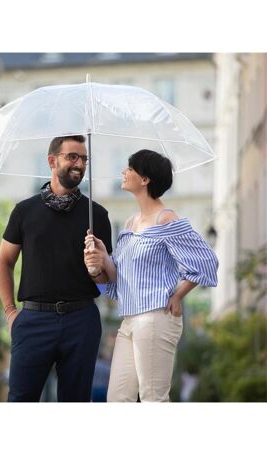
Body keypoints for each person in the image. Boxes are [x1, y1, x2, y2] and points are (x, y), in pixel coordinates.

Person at [84, 149, 218, 402]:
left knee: (153, 398)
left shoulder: (165, 219)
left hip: (156, 316)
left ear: (145, 179)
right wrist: (103, 256)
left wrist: (178, 294)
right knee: (117, 400)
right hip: (129, 320)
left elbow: (207, 261)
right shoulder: (130, 223)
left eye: (130, 169)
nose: (124, 172)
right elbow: (118, 278)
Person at [0, 135, 112, 402]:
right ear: (52, 161)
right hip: (33, 320)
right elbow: (4, 262)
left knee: (76, 403)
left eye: (84, 159)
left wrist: (97, 270)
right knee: (20, 401)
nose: (80, 164)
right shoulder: (24, 211)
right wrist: (10, 312)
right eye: (72, 156)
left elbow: (107, 280)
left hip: (81, 319)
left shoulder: (98, 216)